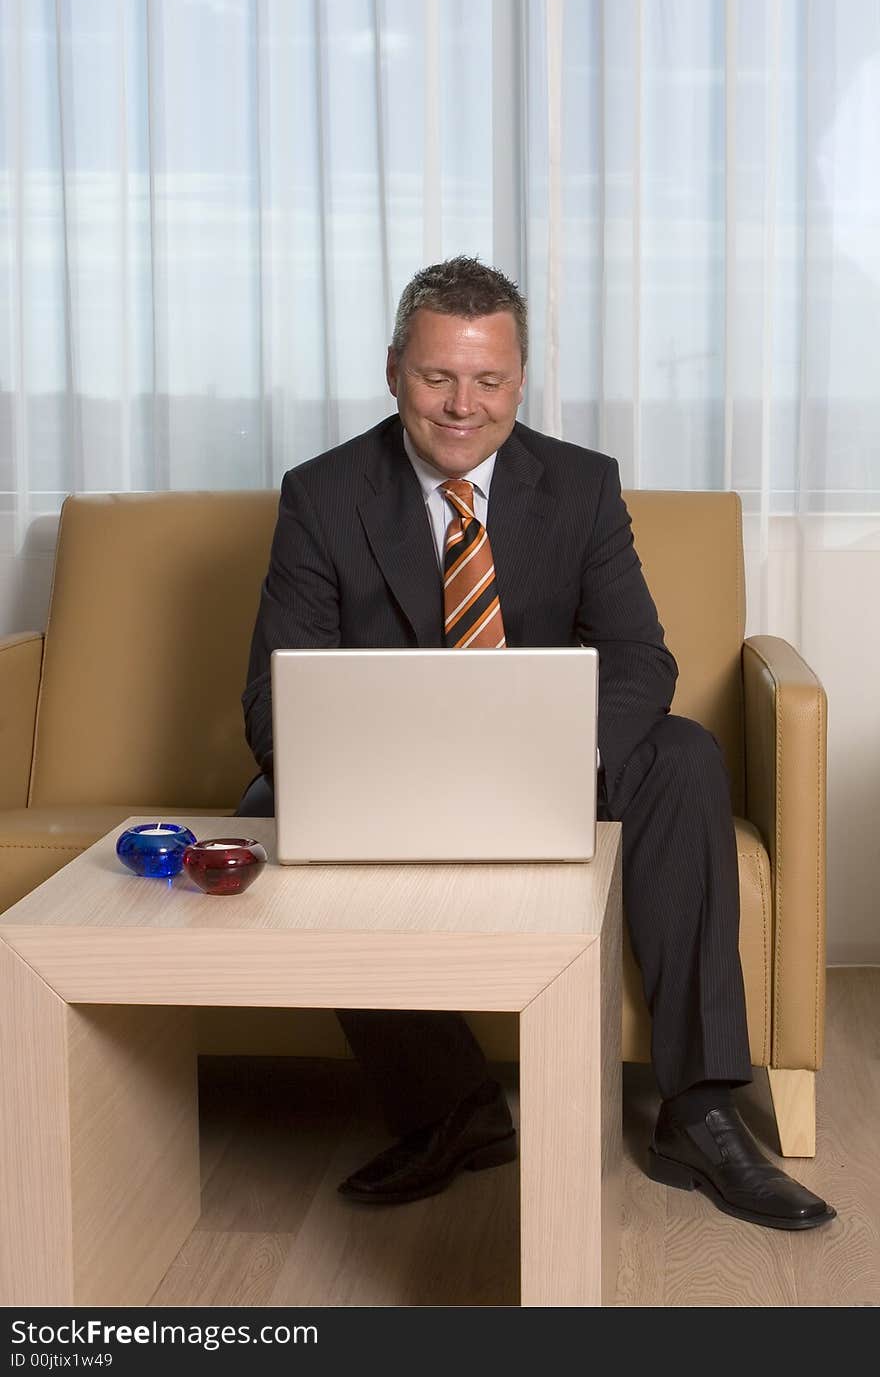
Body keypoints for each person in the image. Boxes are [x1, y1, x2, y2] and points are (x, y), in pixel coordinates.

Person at [239, 254, 835, 1230]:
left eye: (488, 379)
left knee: (682, 754)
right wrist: (372, 772)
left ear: (520, 378)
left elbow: (638, 656)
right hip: (394, 775)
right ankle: (453, 1110)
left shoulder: (583, 486)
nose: (462, 405)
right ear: (395, 370)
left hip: (563, 763)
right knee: (274, 802)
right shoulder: (322, 492)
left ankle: (698, 1108)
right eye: (438, 376)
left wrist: (564, 764)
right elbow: (272, 695)